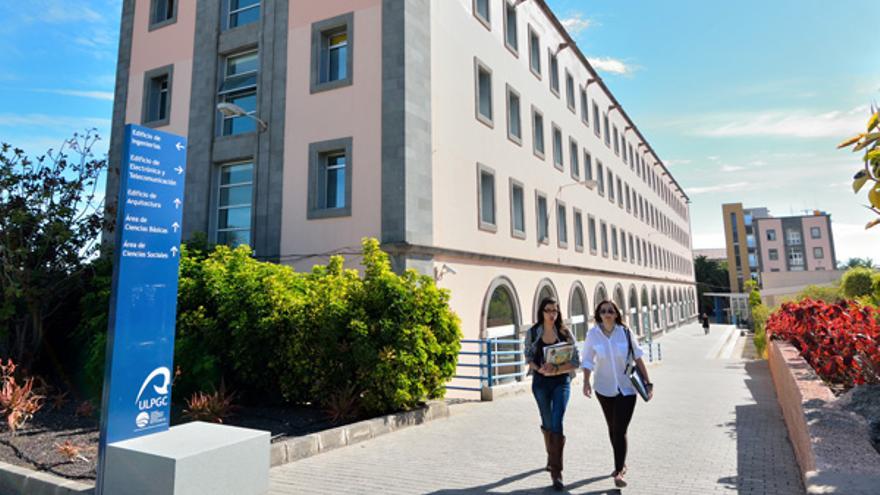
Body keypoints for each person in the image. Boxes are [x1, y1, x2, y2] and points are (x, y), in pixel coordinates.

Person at [581, 300, 653, 488]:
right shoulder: (593, 334)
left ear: (616, 314)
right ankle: (621, 462)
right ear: (598, 314)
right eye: (603, 311)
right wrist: (586, 382)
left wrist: (648, 382)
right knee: (612, 428)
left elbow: (638, 356)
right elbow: (588, 360)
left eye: (610, 311)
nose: (607, 314)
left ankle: (619, 471)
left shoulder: (626, 332)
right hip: (604, 389)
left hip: (627, 388)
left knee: (620, 429)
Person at [524, 297, 580, 491]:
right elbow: (528, 357)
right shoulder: (533, 332)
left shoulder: (565, 332)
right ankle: (551, 456)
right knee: (547, 421)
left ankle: (557, 472)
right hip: (540, 382)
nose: (552, 314)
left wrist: (557, 369)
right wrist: (538, 368)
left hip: (561, 382)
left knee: (557, 422)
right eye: (548, 310)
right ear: (541, 312)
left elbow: (576, 361)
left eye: (555, 311)